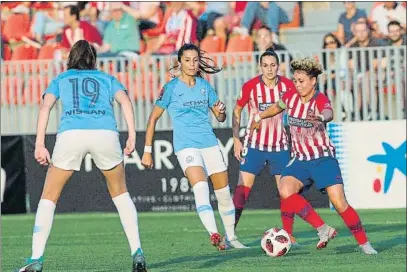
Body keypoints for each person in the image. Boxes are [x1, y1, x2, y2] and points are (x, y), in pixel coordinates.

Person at [16, 40, 147, 272]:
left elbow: (45, 108)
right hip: (105, 133)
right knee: (120, 194)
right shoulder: (107, 78)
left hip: (71, 134)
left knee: (49, 196)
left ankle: (36, 259)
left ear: (70, 58)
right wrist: (132, 136)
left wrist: (39, 144)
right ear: (93, 59)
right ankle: (137, 252)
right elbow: (126, 101)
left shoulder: (60, 79)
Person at [250, 57, 378, 255]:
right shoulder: (291, 96)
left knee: (339, 202)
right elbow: (277, 107)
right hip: (300, 159)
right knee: (285, 190)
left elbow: (329, 112)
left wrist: (320, 117)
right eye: (295, 80)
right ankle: (323, 229)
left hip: (322, 158)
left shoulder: (320, 99)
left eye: (301, 81)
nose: (297, 84)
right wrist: (259, 116)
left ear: (313, 81)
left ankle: (364, 243)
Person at [141, 43, 246, 250]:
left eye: (195, 60)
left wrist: (221, 111)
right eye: (187, 60)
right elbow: (153, 118)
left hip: (209, 143)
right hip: (186, 146)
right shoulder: (170, 88)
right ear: (180, 62)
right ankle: (214, 233)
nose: (191, 64)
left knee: (224, 193)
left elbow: (219, 115)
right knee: (200, 187)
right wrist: (147, 150)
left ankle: (232, 238)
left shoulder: (204, 86)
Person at [232, 48, 298, 245]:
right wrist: (236, 138)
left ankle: (288, 234)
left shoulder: (287, 85)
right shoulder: (251, 86)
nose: (269, 69)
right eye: (265, 65)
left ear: (278, 66)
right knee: (243, 189)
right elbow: (237, 110)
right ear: (260, 67)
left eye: (273, 65)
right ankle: (230, 233)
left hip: (280, 146)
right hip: (255, 145)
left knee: (286, 191)